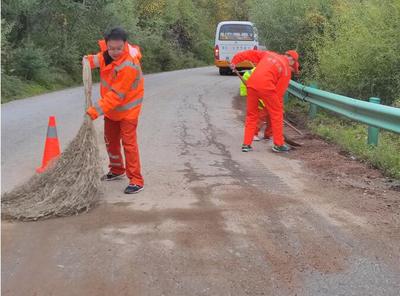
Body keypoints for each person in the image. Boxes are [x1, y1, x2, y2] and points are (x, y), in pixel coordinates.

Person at [84, 27, 145, 194]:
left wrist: (94, 110)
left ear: (125, 45)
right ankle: (117, 170)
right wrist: (85, 61)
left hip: (128, 110)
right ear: (107, 45)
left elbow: (117, 95)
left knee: (129, 144)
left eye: (118, 48)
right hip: (112, 110)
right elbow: (97, 60)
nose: (115, 52)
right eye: (111, 48)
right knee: (110, 140)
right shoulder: (107, 55)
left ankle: (136, 180)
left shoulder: (129, 65)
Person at [230, 49, 300, 153]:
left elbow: (249, 53)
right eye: (293, 66)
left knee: (251, 115)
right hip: (267, 87)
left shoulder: (268, 54)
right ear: (292, 60)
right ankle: (279, 145)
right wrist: (276, 108)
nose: (292, 68)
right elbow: (279, 93)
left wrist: (234, 61)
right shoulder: (286, 70)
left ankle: (246, 145)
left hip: (252, 84)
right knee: (277, 114)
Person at [240, 67, 272, 141]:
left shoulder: (268, 71)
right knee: (259, 116)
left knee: (270, 116)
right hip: (257, 96)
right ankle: (253, 134)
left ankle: (268, 135)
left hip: (265, 97)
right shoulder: (262, 72)